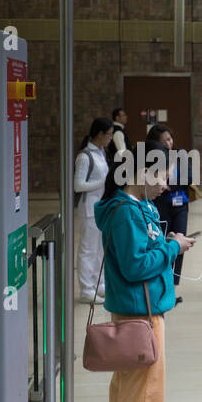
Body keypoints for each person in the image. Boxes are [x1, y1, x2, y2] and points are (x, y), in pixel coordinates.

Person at [94, 148, 196, 402]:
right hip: (142, 314)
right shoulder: (126, 213)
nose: (166, 184)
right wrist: (173, 249)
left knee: (126, 390)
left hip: (137, 311)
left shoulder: (132, 208)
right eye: (163, 175)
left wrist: (167, 243)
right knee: (145, 394)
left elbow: (136, 254)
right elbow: (136, 266)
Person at [146, 124, 192, 303]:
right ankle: (161, 286)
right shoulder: (149, 159)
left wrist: (170, 185)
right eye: (165, 140)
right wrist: (168, 184)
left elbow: (189, 177)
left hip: (180, 204)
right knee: (162, 242)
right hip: (161, 204)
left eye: (170, 138)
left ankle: (172, 287)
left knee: (179, 243)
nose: (170, 142)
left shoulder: (179, 154)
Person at [73, 118, 113, 304]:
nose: (111, 138)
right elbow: (78, 185)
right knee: (88, 249)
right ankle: (86, 289)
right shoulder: (85, 156)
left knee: (99, 248)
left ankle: (99, 283)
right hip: (88, 207)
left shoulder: (101, 153)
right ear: (99, 134)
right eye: (109, 134)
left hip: (100, 206)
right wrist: (104, 182)